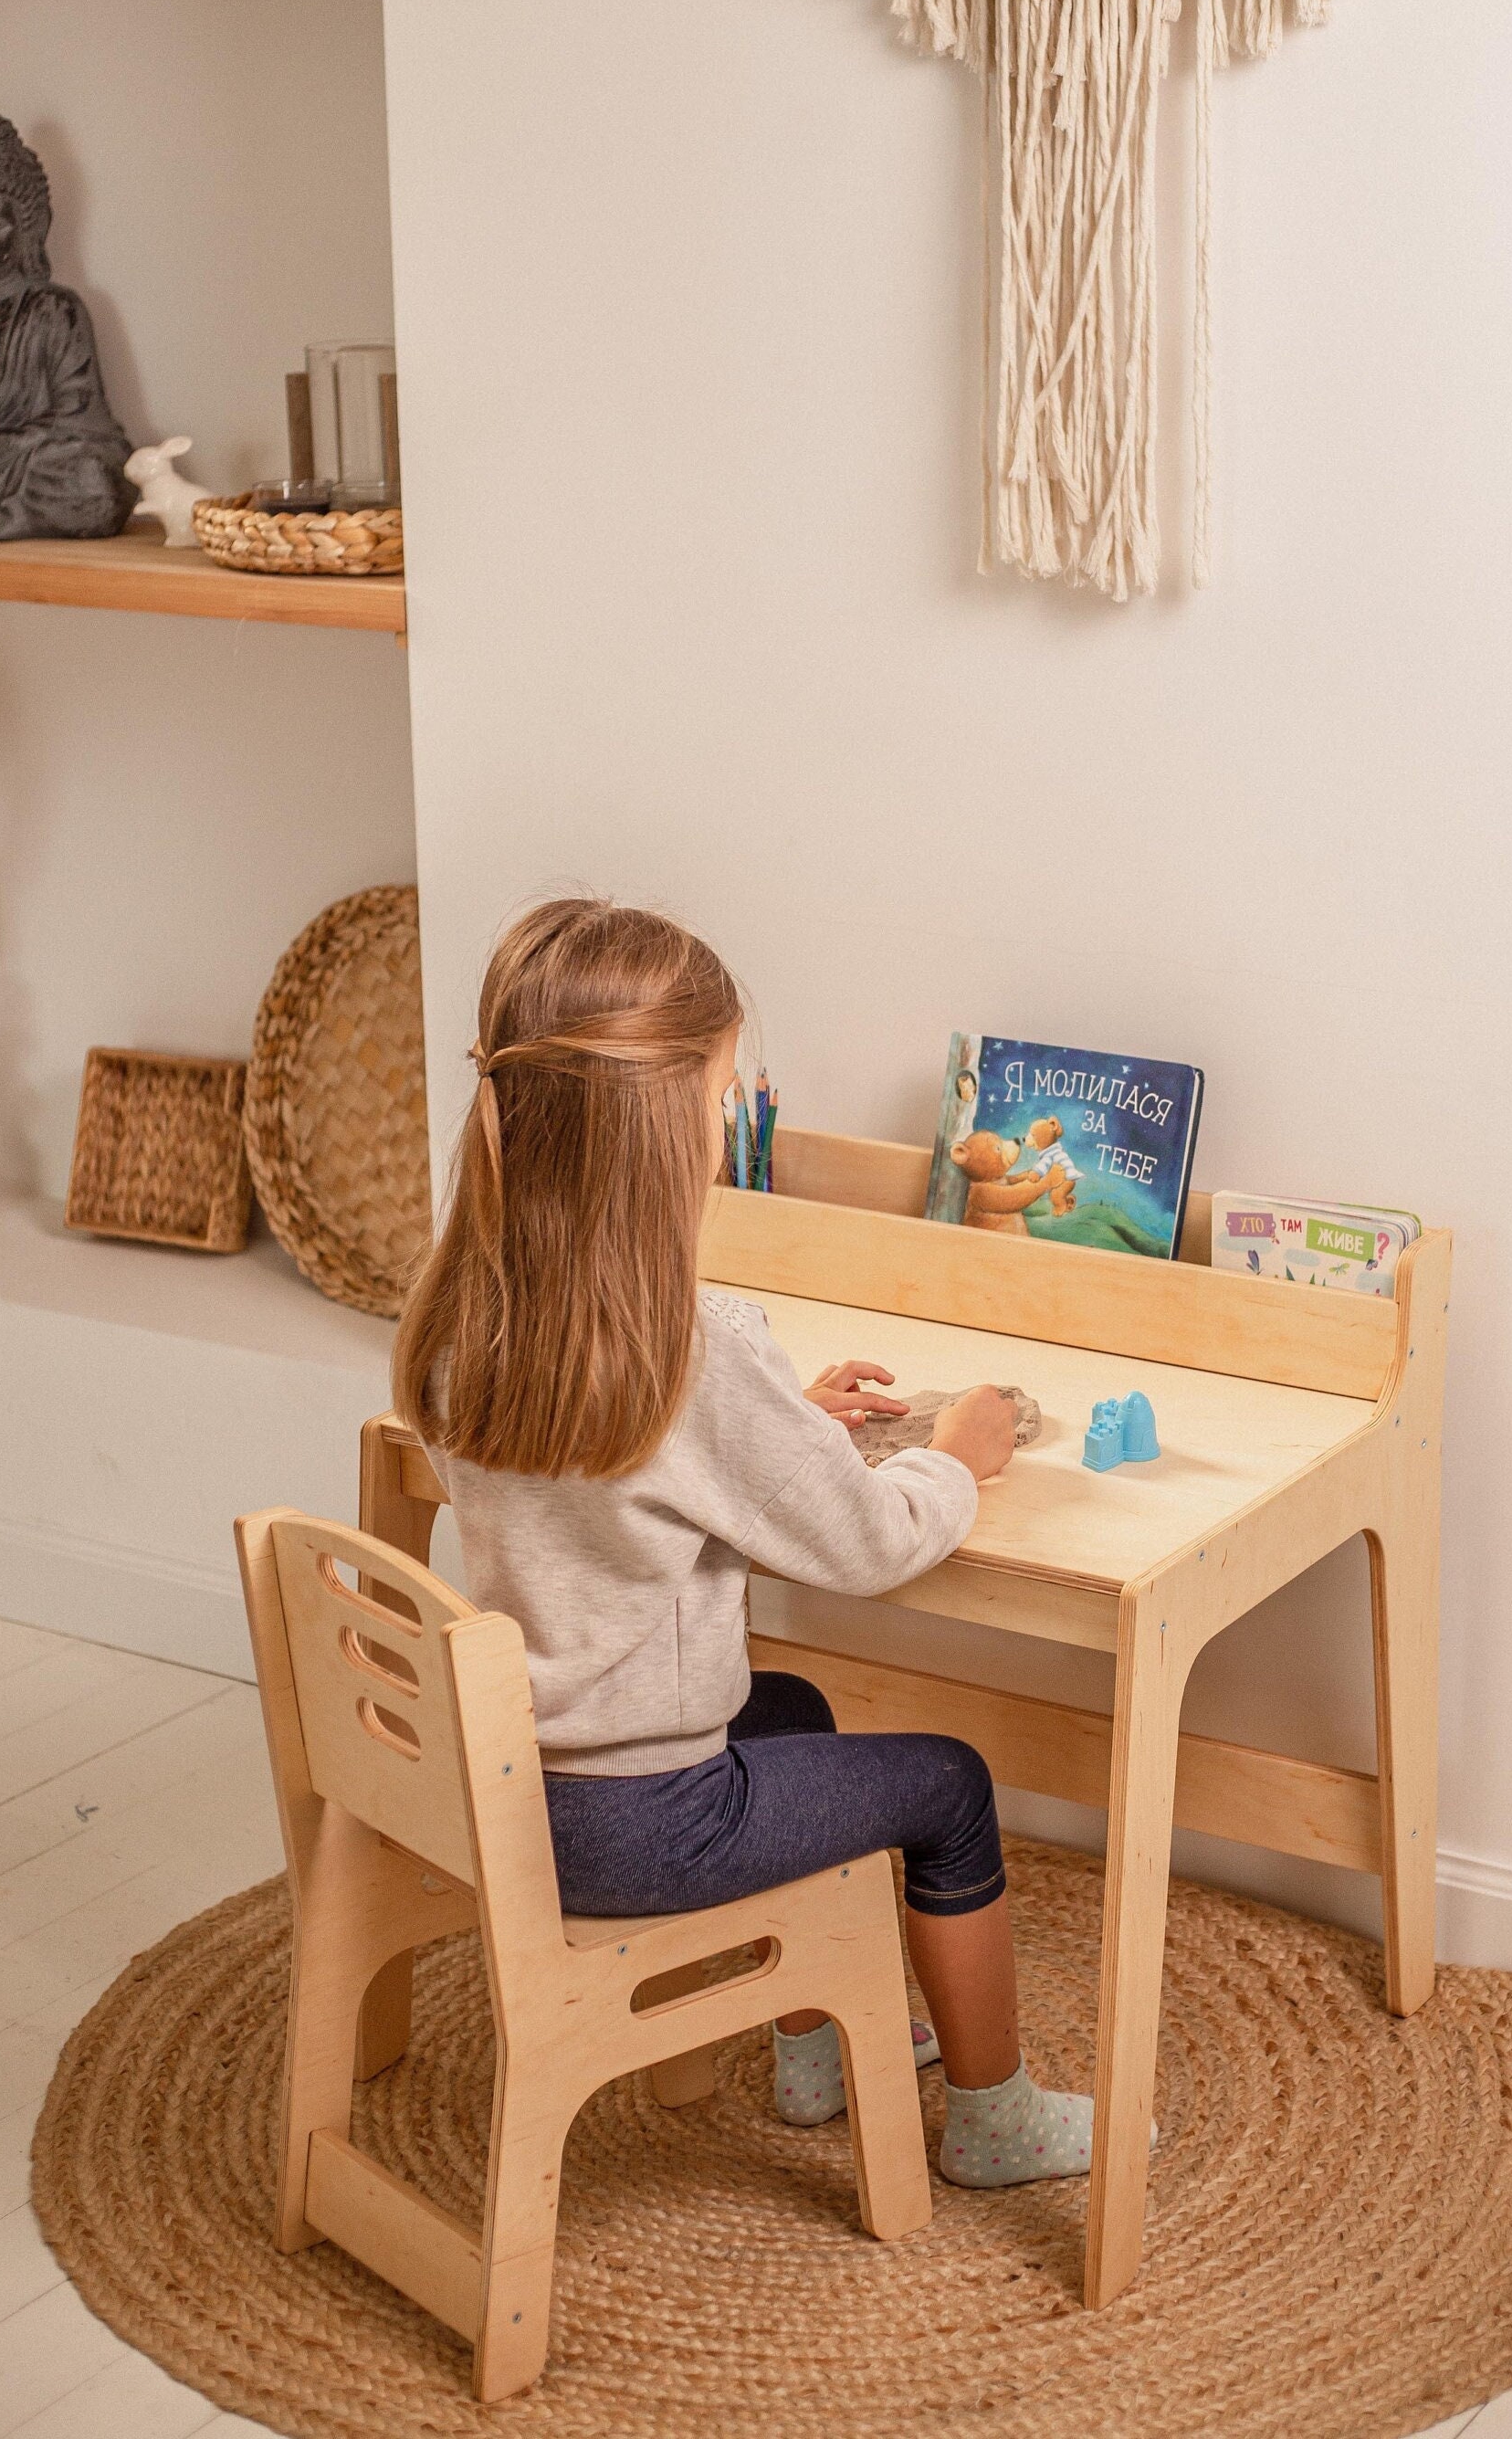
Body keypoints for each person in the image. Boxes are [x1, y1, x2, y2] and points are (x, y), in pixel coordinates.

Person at [393, 897, 1096, 2187]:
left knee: (795, 1704)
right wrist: (962, 1450)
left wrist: (781, 1427)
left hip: (502, 1780)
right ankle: (1000, 2117)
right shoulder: (698, 1353)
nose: (726, 1120)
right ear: (668, 1129)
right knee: (950, 1786)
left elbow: (616, 1487)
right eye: (720, 1095)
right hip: (643, 1823)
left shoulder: (460, 1314)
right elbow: (874, 1542)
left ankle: (814, 2049)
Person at [0, 116, 133, 542]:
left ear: (24, 226)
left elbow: (83, 420)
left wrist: (14, 445)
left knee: (91, 478)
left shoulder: (54, 308)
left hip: (28, 462)